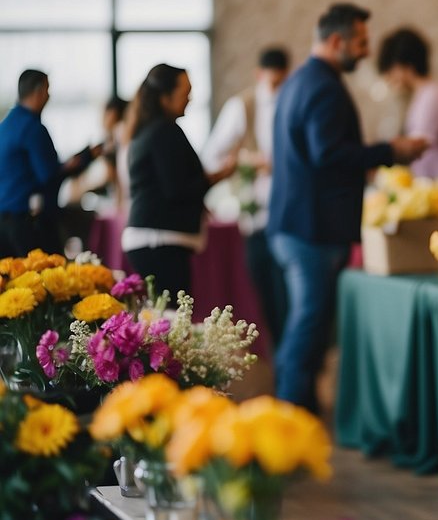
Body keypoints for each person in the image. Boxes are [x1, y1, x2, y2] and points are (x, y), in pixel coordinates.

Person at [268, 4, 428, 411]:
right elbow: (329, 155)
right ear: (336, 41)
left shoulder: (299, 80)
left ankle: (298, 416)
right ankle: (287, 421)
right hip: (312, 229)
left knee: (308, 326)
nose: (365, 51)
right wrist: (391, 150)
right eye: (360, 42)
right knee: (308, 328)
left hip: (296, 223)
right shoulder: (323, 86)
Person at [200, 46, 292, 346]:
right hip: (256, 217)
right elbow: (212, 156)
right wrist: (248, 159)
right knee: (267, 299)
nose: (277, 90)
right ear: (259, 75)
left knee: (289, 299)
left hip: (290, 215)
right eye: (272, 84)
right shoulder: (242, 106)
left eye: (282, 82)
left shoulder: (293, 102)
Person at [123, 64, 235, 303]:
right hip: (159, 241)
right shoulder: (165, 131)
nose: (191, 98)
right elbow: (177, 189)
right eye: (186, 92)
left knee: (167, 320)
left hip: (153, 240)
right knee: (174, 322)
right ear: (165, 97)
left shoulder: (147, 130)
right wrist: (215, 177)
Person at [0, 69, 98, 256]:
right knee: (46, 277)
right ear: (39, 92)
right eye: (47, 89)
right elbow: (50, 174)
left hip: (3, 223)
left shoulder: (4, 126)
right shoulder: (33, 128)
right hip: (28, 225)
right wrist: (86, 158)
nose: (49, 96)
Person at [378, 27, 438, 179]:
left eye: (391, 71)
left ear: (404, 66)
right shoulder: (429, 92)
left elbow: (417, 146)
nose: (391, 79)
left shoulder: (431, 96)